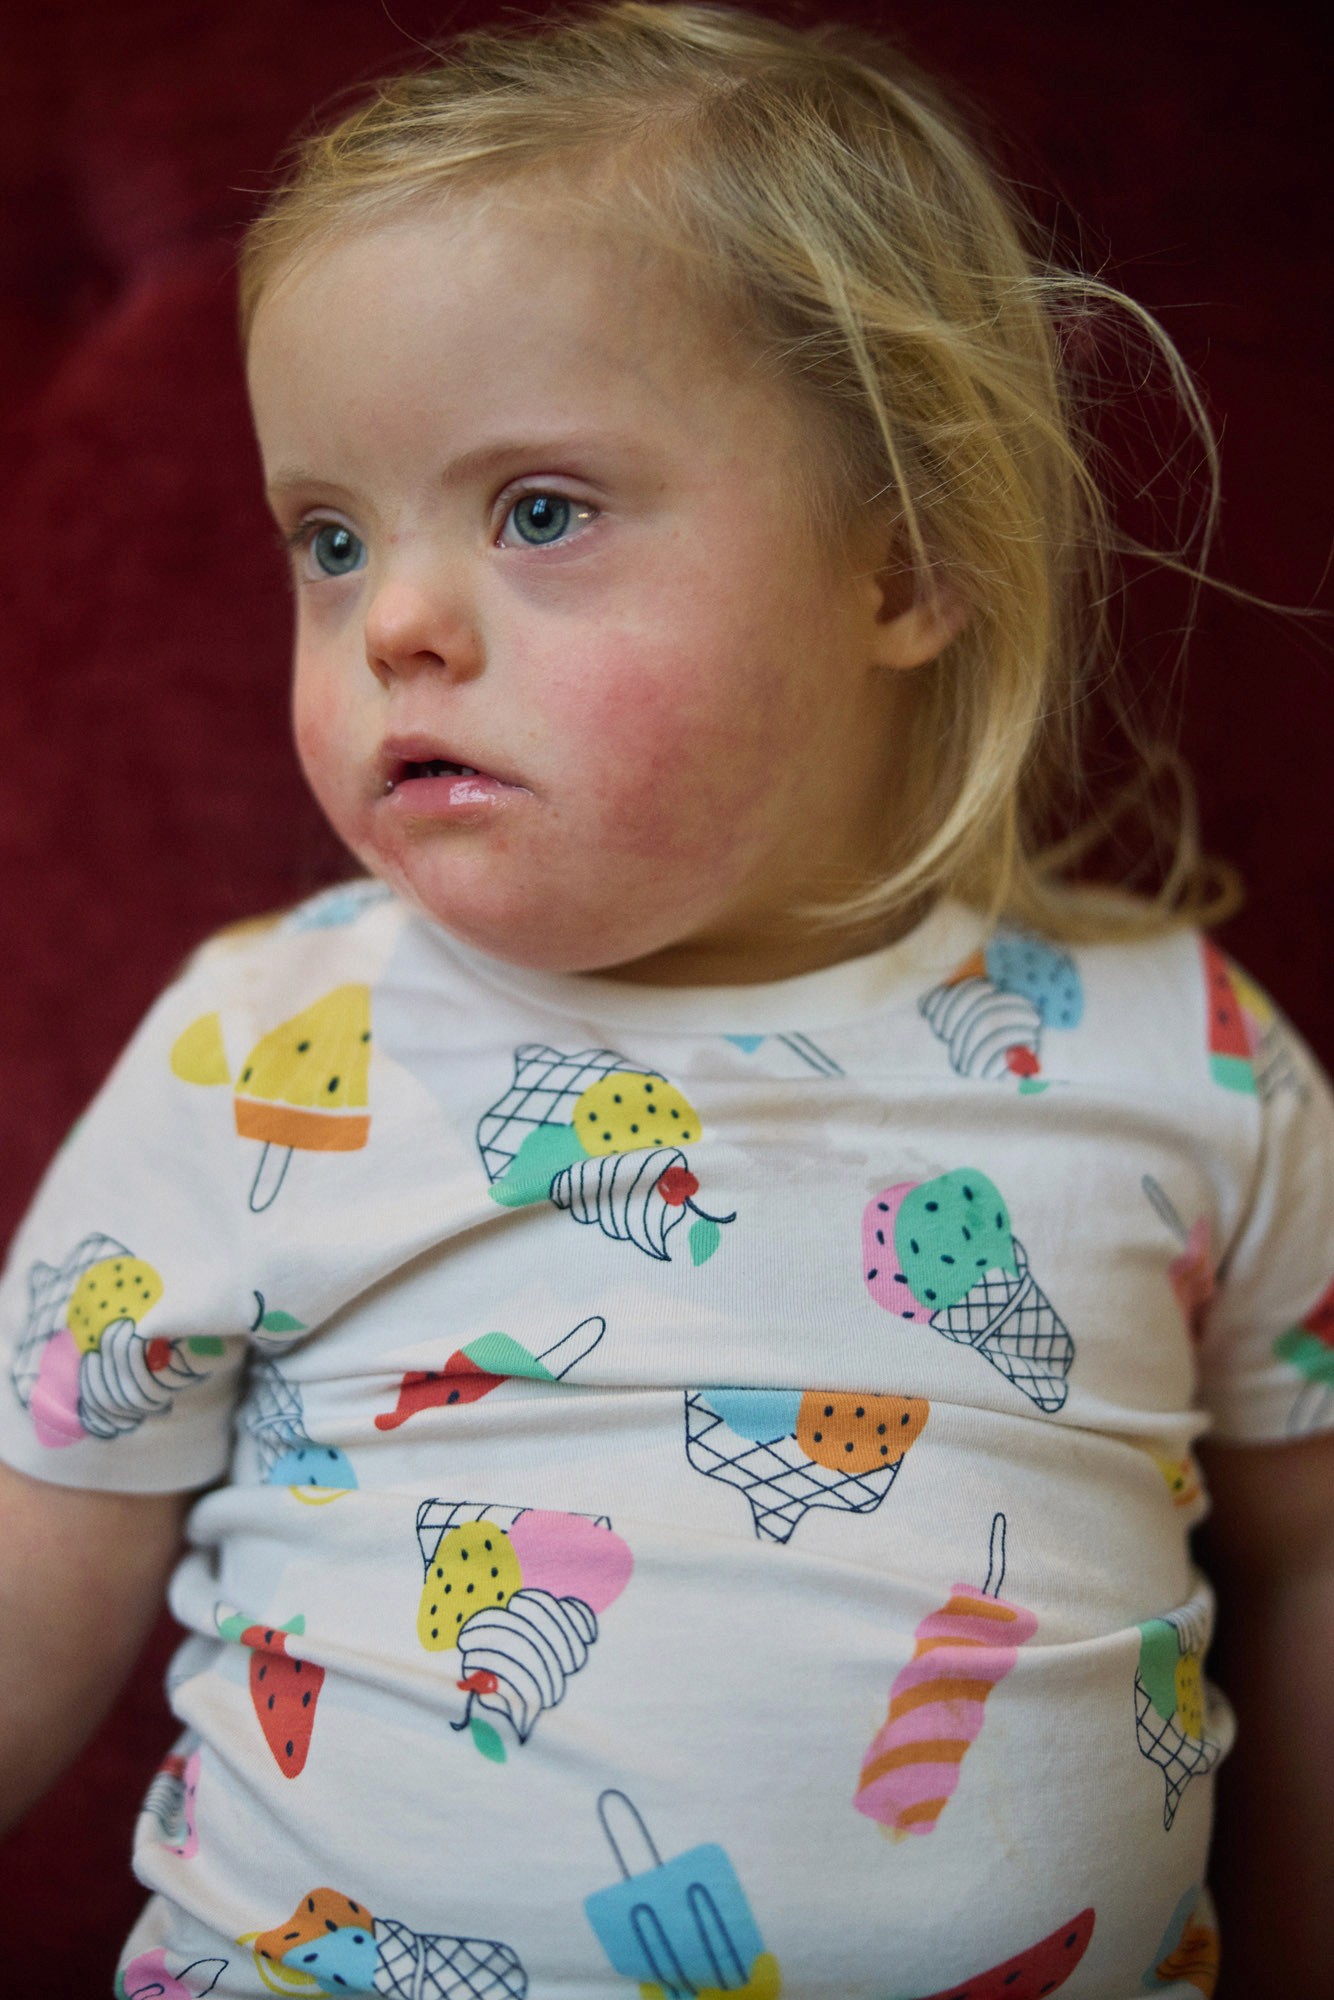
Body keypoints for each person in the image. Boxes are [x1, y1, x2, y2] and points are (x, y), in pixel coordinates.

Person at [0, 4, 1329, 1993]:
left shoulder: (1184, 1051)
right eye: (330, 540)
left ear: (904, 565)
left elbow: (1307, 1558)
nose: (395, 622)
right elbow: (31, 1570)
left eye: (538, 510)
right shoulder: (261, 1044)